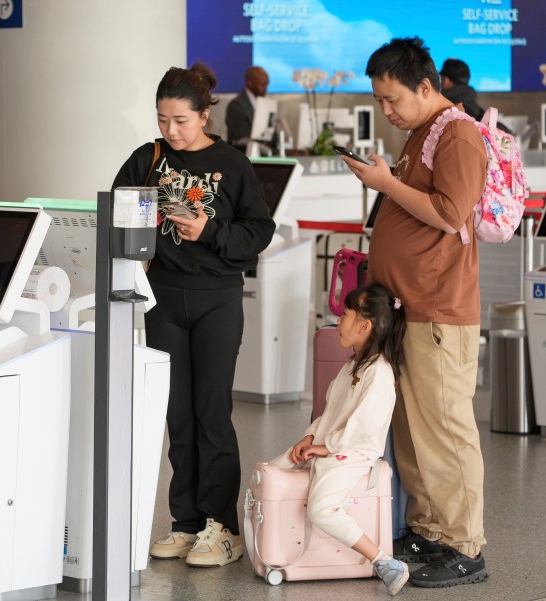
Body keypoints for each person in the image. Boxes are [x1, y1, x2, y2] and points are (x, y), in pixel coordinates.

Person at [112, 62, 275, 568]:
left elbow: (259, 232)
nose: (170, 130)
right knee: (177, 416)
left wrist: (209, 232)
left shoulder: (232, 162)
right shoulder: (147, 158)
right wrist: (131, 239)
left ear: (204, 115)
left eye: (181, 120)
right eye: (162, 119)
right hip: (163, 298)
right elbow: (117, 212)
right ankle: (185, 522)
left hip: (217, 300)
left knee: (211, 413)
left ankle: (221, 526)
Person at [339, 37, 488, 588]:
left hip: (439, 311)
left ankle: (465, 545)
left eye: (392, 99)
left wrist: (386, 184)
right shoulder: (420, 135)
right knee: (412, 431)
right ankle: (430, 530)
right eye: (379, 101)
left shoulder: (459, 134)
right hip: (408, 311)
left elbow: (451, 214)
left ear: (426, 86)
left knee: (445, 431)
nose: (386, 110)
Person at [269, 284, 408, 595]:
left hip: (354, 453)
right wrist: (310, 437)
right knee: (275, 470)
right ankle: (275, 547)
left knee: (321, 508)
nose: (339, 319)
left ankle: (384, 561)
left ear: (364, 325)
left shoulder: (380, 373)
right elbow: (331, 413)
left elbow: (364, 427)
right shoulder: (353, 366)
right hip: (334, 445)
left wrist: (327, 446)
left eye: (345, 314)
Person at [225, 66, 270, 151]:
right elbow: (242, 138)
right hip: (243, 156)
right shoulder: (236, 105)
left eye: (267, 84)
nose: (266, 88)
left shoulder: (266, 104)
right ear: (250, 83)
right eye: (262, 84)